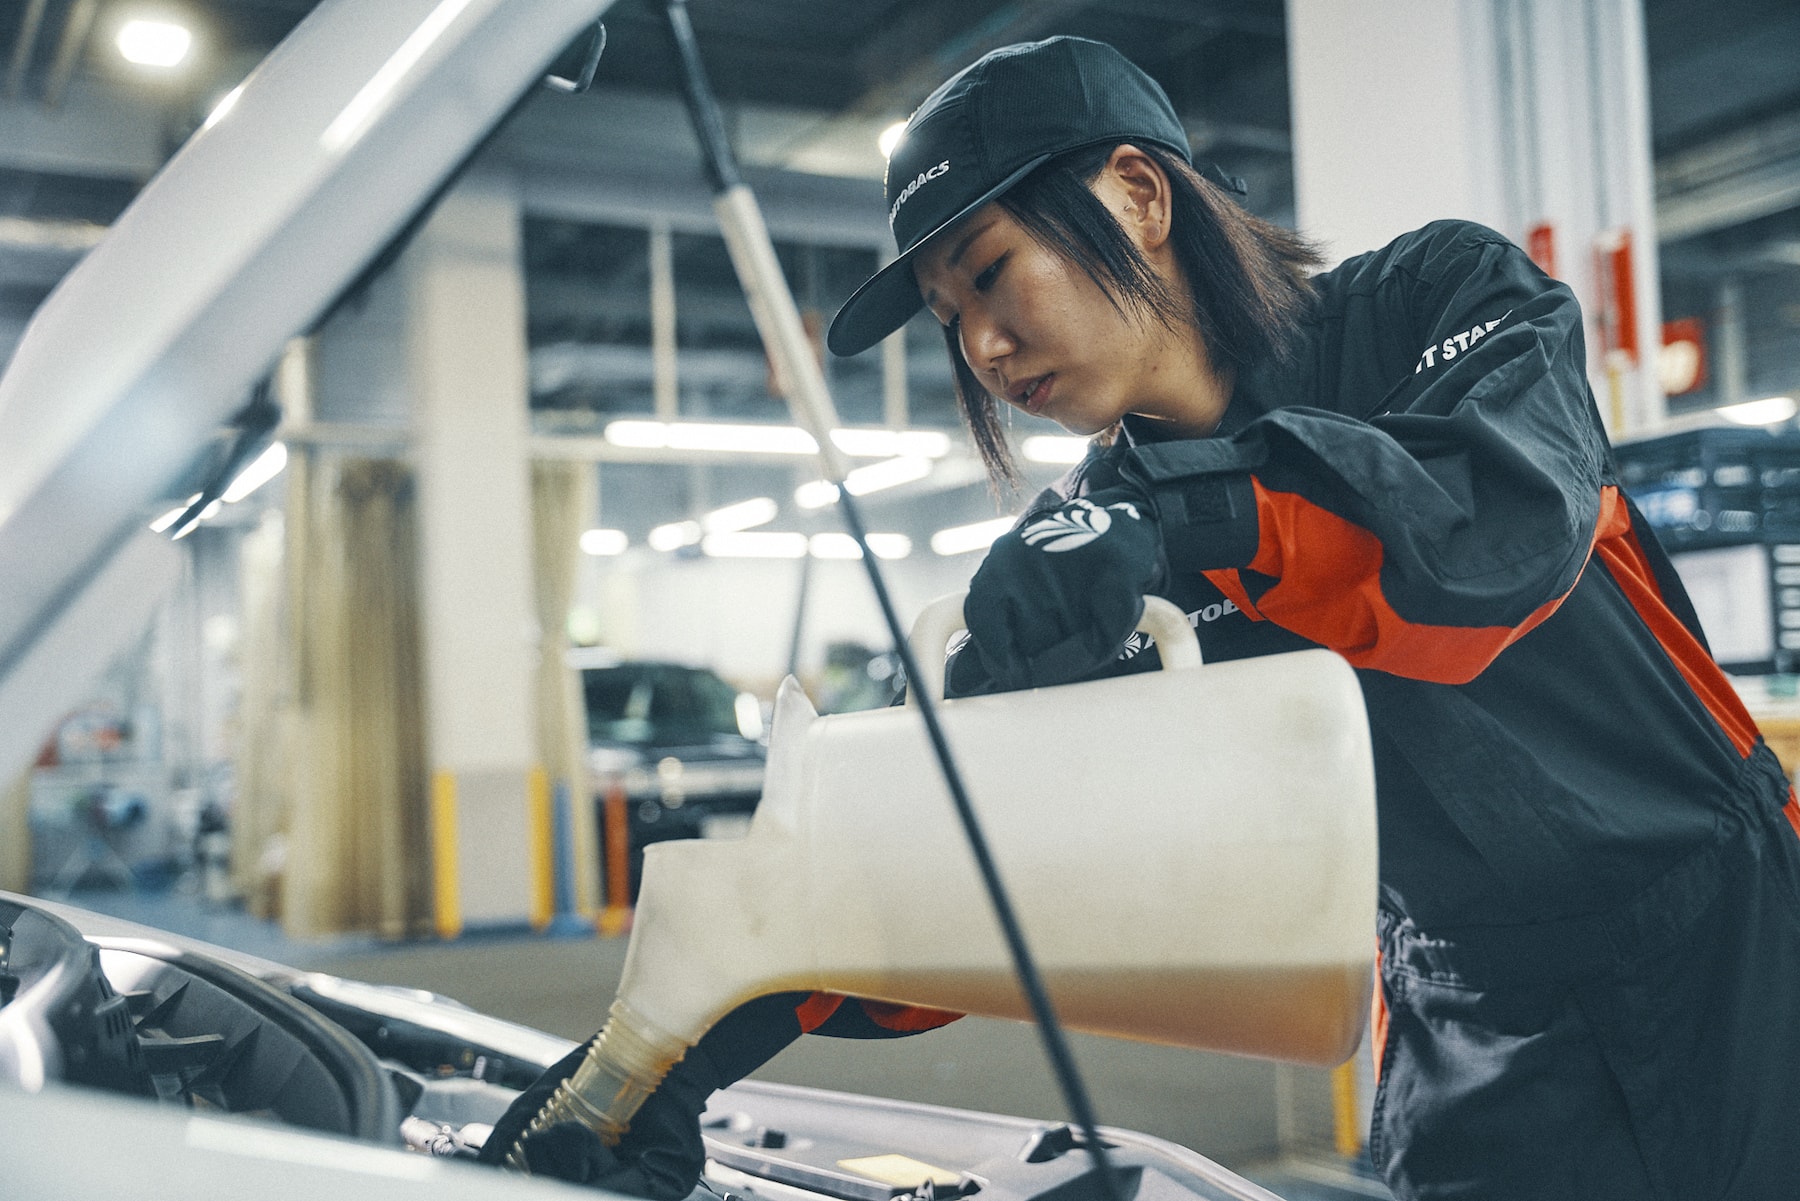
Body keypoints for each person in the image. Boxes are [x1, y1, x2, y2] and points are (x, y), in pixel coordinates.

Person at [488, 36, 1800, 1201]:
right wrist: (665, 1051)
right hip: (1472, 1022)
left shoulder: (1437, 301)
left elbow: (1491, 540)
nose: (982, 348)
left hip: (1737, 952)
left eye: (992, 272)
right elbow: (935, 846)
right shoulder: (1093, 558)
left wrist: (1192, 516)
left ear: (1138, 194)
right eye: (951, 318)